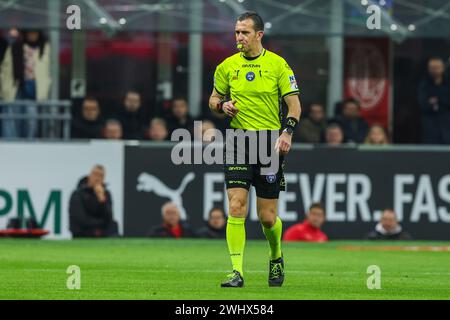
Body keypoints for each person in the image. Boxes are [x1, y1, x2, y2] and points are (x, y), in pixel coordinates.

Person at [208, 12, 302, 288]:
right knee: (236, 207)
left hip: (269, 143)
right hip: (238, 141)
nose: (239, 37)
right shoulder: (226, 66)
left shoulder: (278, 65)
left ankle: (275, 255)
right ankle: (236, 271)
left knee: (267, 217)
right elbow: (213, 99)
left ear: (259, 35)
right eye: (237, 32)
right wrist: (221, 106)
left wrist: (288, 131)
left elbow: (294, 105)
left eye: (245, 32)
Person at [0, 29, 51, 139]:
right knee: (12, 119)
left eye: (35, 32)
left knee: (31, 119)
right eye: (30, 32)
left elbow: (48, 71)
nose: (32, 35)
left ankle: (29, 144)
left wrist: (46, 86)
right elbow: (5, 68)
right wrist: (4, 86)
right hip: (15, 86)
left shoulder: (44, 48)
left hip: (33, 87)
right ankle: (11, 146)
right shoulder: (15, 47)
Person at [69, 165, 119, 238]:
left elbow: (109, 218)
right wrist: (101, 223)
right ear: (90, 176)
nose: (97, 178)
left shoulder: (106, 194)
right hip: (83, 233)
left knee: (114, 226)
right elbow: (81, 219)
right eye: (95, 174)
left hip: (102, 233)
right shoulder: (78, 194)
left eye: (101, 176)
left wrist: (102, 200)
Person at [418, 57, 450, 144]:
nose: (435, 70)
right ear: (428, 69)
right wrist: (442, 100)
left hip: (447, 127)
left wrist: (436, 99)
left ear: (443, 68)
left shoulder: (448, 84)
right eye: (432, 68)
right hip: (430, 128)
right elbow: (423, 105)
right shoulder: (424, 86)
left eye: (437, 67)